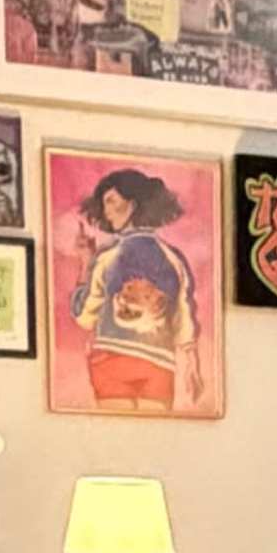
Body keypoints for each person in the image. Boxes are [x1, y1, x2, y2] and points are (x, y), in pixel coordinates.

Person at [64, 160, 200, 410]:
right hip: (160, 363)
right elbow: (184, 316)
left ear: (132, 205)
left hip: (111, 359)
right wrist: (192, 362)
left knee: (115, 441)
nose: (106, 212)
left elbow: (84, 316)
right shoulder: (174, 258)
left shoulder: (107, 257)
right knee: (156, 440)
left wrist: (85, 261)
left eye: (111, 202)